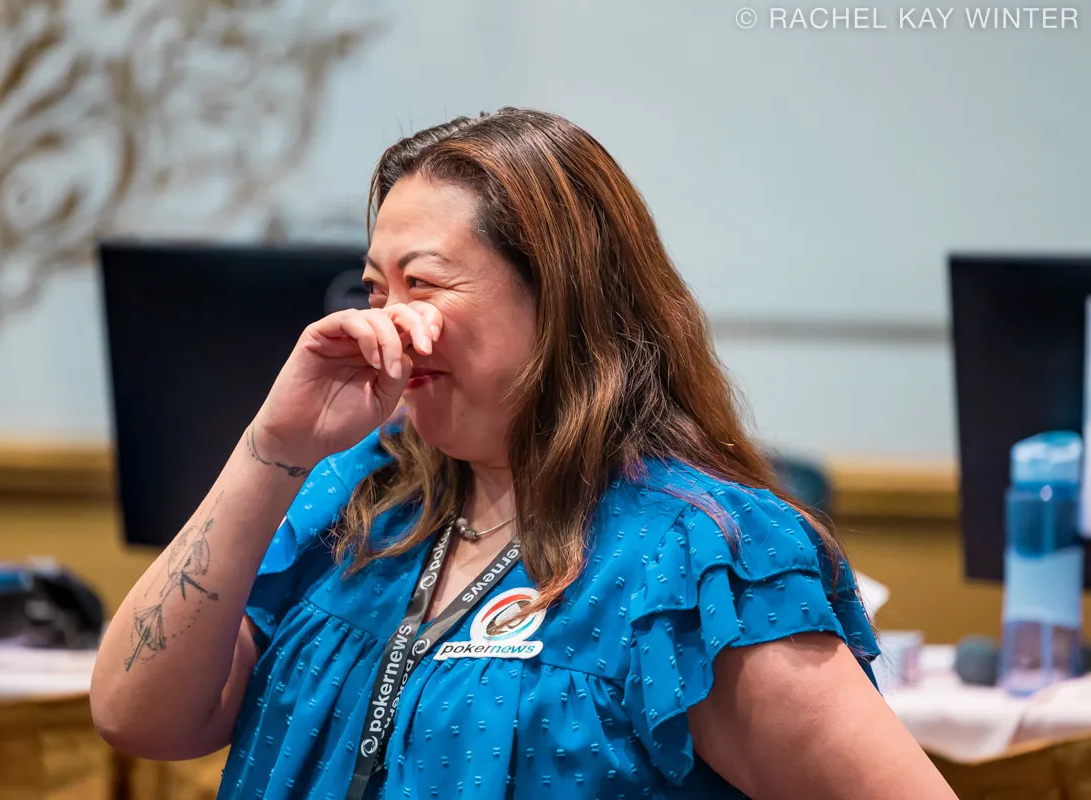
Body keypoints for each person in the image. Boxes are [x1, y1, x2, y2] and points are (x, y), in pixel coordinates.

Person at [91, 108, 958, 799]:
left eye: (423, 284)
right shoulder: (358, 493)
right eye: (376, 289)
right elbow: (141, 719)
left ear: (560, 295)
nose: (384, 324)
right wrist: (271, 449)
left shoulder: (699, 560)